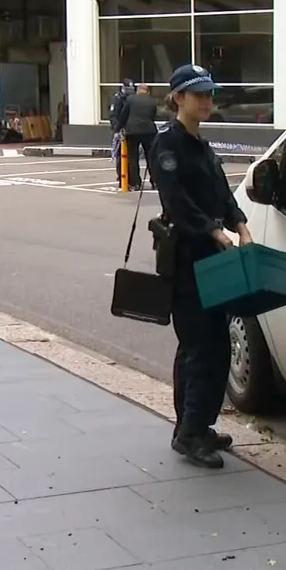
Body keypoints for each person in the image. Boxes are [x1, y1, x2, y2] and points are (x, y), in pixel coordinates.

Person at [150, 64, 253, 468]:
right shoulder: (168, 146)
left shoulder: (202, 146)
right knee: (199, 348)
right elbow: (177, 201)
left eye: (210, 94)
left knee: (215, 344)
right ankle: (189, 432)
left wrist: (240, 226)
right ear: (178, 98)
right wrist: (214, 232)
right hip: (188, 260)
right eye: (198, 95)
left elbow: (222, 195)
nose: (207, 102)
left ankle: (198, 424)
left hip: (215, 258)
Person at [121, 84, 159, 190]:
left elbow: (124, 114)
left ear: (137, 91)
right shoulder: (152, 101)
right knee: (151, 157)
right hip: (149, 131)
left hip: (132, 131)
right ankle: (155, 182)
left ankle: (135, 183)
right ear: (148, 92)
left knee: (133, 157)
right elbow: (153, 115)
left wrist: (119, 128)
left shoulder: (130, 99)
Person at [109, 78, 134, 185]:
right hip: (121, 130)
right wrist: (117, 129)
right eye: (128, 88)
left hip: (132, 129)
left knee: (131, 156)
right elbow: (113, 115)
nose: (130, 90)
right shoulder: (118, 99)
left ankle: (130, 177)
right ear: (123, 87)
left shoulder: (132, 98)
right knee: (121, 155)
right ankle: (121, 177)